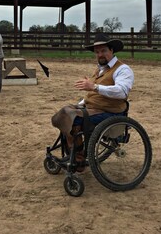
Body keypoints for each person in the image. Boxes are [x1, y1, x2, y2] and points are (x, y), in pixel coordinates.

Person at [51, 33, 134, 171]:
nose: (100, 54)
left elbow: (122, 91)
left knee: (74, 119)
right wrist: (80, 104)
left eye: (103, 51)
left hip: (110, 111)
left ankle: (78, 158)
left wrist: (94, 86)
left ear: (111, 50)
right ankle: (75, 153)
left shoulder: (123, 69)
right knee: (65, 112)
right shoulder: (100, 70)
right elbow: (93, 94)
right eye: (97, 52)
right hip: (93, 108)